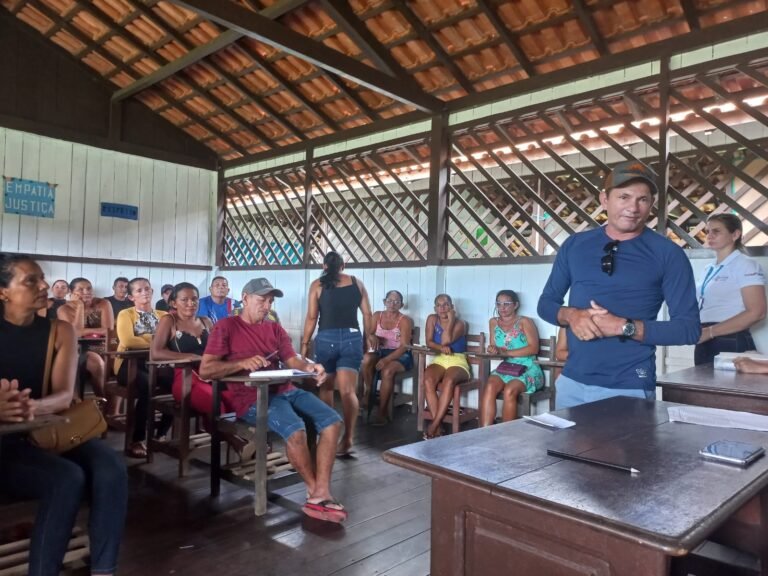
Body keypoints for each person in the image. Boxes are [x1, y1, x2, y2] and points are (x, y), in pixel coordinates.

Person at [0, 253, 127, 576]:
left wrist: (30, 407)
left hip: (47, 430)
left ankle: (104, 569)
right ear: (3, 291)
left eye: (42, 278)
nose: (43, 285)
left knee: (111, 468)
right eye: (31, 280)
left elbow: (64, 396)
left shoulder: (60, 331)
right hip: (6, 443)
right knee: (66, 478)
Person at [537, 160, 701, 409]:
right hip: (572, 382)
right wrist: (571, 316)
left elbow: (688, 329)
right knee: (564, 449)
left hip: (629, 386)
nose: (633, 207)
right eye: (624, 197)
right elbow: (546, 304)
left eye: (643, 199)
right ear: (604, 199)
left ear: (651, 204)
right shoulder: (575, 245)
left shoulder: (668, 254)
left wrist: (623, 327)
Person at [199, 277, 348, 523]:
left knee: (333, 422)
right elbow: (206, 370)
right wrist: (240, 364)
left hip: (284, 389)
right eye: (261, 300)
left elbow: (292, 361)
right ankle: (316, 494)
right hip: (252, 396)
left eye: (270, 301)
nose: (267, 306)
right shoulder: (226, 327)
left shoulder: (274, 328)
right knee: (296, 430)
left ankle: (320, 491)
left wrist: (311, 367)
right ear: (245, 299)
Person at [301, 252, 374, 455]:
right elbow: (367, 314)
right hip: (352, 338)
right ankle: (348, 439)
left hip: (326, 339)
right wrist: (368, 337)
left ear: (324, 266)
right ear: (344, 265)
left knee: (326, 388)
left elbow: (311, 317)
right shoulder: (357, 283)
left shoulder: (317, 285)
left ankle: (328, 435)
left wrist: (305, 343)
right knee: (348, 391)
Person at [694, 213, 766, 365]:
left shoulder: (746, 265)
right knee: (701, 387)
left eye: (716, 231)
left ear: (735, 234)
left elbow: (757, 312)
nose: (709, 236)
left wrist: (711, 332)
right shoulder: (708, 268)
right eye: (708, 231)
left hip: (731, 338)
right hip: (704, 337)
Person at [115, 277, 169, 458]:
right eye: (138, 290)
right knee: (148, 386)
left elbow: (170, 340)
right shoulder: (125, 314)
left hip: (156, 363)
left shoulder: (163, 316)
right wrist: (155, 341)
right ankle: (137, 439)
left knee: (178, 383)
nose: (144, 292)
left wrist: (147, 341)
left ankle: (160, 433)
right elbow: (128, 340)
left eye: (147, 288)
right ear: (131, 297)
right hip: (129, 364)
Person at [479, 290, 544, 426]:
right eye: (499, 304)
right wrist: (493, 350)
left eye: (507, 303)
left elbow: (534, 348)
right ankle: (484, 433)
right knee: (490, 386)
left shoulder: (525, 322)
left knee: (510, 390)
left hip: (529, 367)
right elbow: (494, 346)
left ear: (516, 305)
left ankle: (505, 436)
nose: (502, 307)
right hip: (507, 367)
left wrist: (505, 352)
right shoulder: (493, 322)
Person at [360, 290, 414, 426]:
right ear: (384, 302)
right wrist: (371, 336)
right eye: (389, 300)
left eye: (396, 301)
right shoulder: (377, 315)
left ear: (401, 305)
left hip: (400, 355)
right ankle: (369, 392)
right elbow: (369, 334)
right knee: (366, 359)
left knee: (387, 371)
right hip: (380, 352)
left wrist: (386, 360)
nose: (392, 304)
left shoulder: (405, 320)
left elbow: (404, 347)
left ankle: (382, 413)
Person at [422, 294, 469, 439]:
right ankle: (439, 426)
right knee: (428, 380)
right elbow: (429, 342)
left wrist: (452, 319)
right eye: (439, 305)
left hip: (458, 360)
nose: (443, 308)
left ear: (452, 307)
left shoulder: (460, 323)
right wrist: (441, 348)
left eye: (446, 304)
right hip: (440, 359)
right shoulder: (431, 319)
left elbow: (446, 339)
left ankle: (434, 426)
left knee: (449, 381)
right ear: (435, 308)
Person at [57, 277, 114, 398]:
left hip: (104, 345)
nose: (86, 292)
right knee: (96, 362)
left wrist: (83, 331)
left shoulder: (103, 303)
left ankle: (109, 405)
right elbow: (74, 334)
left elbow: (108, 330)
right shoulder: (63, 309)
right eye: (81, 289)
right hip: (78, 349)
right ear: (72, 293)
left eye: (88, 288)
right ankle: (102, 398)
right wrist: (80, 307)